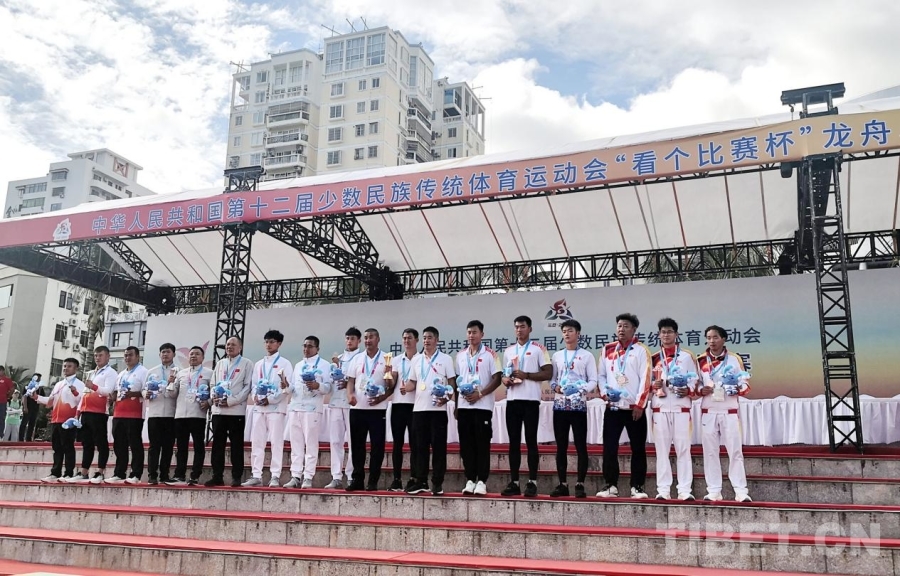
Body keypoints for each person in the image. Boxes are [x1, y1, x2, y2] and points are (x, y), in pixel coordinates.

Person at [597, 313, 652, 499]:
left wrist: (639, 404)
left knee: (638, 448)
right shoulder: (607, 349)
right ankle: (610, 485)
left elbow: (646, 378)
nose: (621, 329)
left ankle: (637, 486)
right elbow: (601, 375)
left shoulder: (641, 351)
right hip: (613, 407)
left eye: (626, 326)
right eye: (619, 325)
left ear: (634, 329)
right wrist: (605, 394)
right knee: (609, 447)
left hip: (634, 409)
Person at [697, 325, 752, 503]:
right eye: (708, 338)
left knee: (735, 451)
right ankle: (714, 490)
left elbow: (745, 384)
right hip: (709, 411)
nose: (711, 341)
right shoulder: (700, 360)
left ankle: (741, 491)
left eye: (715, 337)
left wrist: (737, 388)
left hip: (729, 411)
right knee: (710, 452)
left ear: (724, 339)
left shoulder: (734, 359)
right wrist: (701, 390)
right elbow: (695, 384)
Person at [500, 316, 552, 498]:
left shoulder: (539, 349)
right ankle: (514, 482)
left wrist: (526, 375)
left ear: (530, 329)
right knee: (513, 442)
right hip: (513, 401)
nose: (519, 330)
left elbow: (548, 373)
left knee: (531, 441)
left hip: (530, 401)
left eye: (522, 327)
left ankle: (532, 482)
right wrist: (505, 380)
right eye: (516, 327)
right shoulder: (509, 351)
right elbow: (504, 374)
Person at [650, 318, 699, 501]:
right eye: (663, 332)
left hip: (681, 409)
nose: (666, 335)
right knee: (661, 451)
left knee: (683, 449)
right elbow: (645, 383)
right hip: (660, 409)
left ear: (676, 334)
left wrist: (688, 390)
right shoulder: (653, 357)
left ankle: (684, 489)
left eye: (669, 331)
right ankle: (663, 489)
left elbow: (695, 380)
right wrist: (653, 385)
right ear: (658, 335)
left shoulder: (686, 357)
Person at [549, 319, 598, 498]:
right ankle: (562, 484)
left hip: (578, 407)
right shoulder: (557, 356)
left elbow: (593, 380)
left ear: (578, 333)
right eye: (564, 331)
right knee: (561, 446)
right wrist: (556, 388)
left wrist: (581, 389)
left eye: (570, 330)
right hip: (560, 406)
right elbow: (552, 379)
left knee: (580, 446)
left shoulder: (587, 356)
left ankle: (580, 484)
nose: (567, 334)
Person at [405, 326, 457, 496]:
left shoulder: (446, 359)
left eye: (430, 337)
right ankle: (421, 481)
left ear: (437, 340)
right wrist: (405, 387)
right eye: (425, 338)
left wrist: (447, 397)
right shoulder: (416, 360)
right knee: (420, 447)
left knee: (438, 447)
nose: (426, 341)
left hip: (438, 410)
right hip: (419, 410)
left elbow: (452, 382)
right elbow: (413, 382)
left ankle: (437, 482)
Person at [455, 320, 501, 496]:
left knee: (482, 444)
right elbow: (457, 381)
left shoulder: (490, 354)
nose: (471, 335)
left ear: (482, 334)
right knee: (466, 445)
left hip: (482, 407)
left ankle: (482, 481)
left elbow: (497, 379)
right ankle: (469, 479)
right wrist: (457, 405)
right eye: (469, 332)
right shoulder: (460, 355)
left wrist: (480, 394)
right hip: (464, 406)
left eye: (474, 332)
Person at [243, 329, 293, 487]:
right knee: (257, 442)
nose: (268, 345)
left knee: (276, 443)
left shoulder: (285, 363)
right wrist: (256, 397)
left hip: (276, 409)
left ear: (279, 344)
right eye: (266, 342)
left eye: (272, 342)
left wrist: (270, 399)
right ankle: (256, 475)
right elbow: (254, 386)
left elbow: (286, 388)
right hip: (259, 408)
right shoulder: (259, 364)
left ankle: (275, 476)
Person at [346, 328, 392, 491]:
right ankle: (357, 479)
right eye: (365, 337)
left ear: (378, 339)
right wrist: (350, 395)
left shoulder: (387, 359)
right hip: (357, 408)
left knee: (377, 446)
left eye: (371, 337)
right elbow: (350, 381)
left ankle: (373, 481)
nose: (368, 340)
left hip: (377, 409)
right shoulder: (357, 359)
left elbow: (391, 387)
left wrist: (381, 397)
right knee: (357, 445)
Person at [284, 336, 332, 489]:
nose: (306, 349)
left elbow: (328, 388)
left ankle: (308, 477)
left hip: (312, 409)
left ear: (317, 348)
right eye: (304, 346)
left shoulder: (324, 365)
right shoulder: (298, 365)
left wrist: (318, 385)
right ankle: (295, 475)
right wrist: (286, 385)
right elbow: (293, 388)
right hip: (295, 407)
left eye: (310, 346)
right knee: (296, 444)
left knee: (311, 444)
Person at [207, 336, 253, 487]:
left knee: (236, 445)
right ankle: (217, 476)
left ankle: (236, 477)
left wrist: (231, 401)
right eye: (227, 344)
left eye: (233, 344)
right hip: (219, 411)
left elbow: (247, 387)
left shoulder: (247, 363)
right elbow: (213, 384)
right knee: (217, 445)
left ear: (240, 347)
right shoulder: (221, 363)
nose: (229, 347)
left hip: (236, 412)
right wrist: (214, 396)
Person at [167, 346, 213, 486]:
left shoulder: (209, 373)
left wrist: (209, 402)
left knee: (198, 446)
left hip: (198, 415)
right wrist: (170, 382)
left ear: (203, 357)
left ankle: (195, 475)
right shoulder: (181, 373)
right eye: (191, 354)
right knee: (181, 447)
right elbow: (172, 394)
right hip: (180, 415)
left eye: (197, 354)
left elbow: (214, 391)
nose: (193, 356)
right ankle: (179, 475)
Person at [69, 347, 117, 483]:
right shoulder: (91, 373)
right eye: (96, 355)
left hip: (99, 412)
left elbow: (108, 391)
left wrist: (94, 386)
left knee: (101, 443)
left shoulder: (111, 373)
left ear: (108, 356)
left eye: (100, 355)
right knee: (87, 443)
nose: (97, 358)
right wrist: (78, 413)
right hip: (85, 411)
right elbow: (85, 394)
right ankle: (84, 472)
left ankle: (100, 472)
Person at [35, 358, 84, 482]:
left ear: (76, 368)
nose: (66, 368)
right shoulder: (59, 384)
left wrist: (75, 392)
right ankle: (55, 472)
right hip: (56, 420)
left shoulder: (79, 384)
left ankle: (68, 473)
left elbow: (82, 401)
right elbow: (50, 401)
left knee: (68, 447)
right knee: (57, 447)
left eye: (69, 366)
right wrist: (37, 397)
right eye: (65, 366)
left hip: (69, 421)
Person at [325, 327, 362, 489]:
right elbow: (329, 383)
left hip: (353, 404)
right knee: (335, 441)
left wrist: (349, 383)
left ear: (359, 341)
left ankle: (351, 475)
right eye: (347, 338)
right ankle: (336, 476)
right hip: (335, 403)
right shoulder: (337, 359)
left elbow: (364, 380)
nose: (349, 341)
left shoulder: (362, 359)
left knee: (353, 442)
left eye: (353, 338)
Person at [105, 346, 148, 484]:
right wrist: (112, 397)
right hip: (118, 413)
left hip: (135, 413)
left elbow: (146, 392)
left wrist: (133, 394)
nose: (127, 358)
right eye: (125, 355)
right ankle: (119, 472)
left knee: (135, 444)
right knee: (119, 444)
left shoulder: (143, 372)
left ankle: (136, 474)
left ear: (137, 357)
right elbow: (116, 391)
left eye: (130, 355)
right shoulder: (121, 374)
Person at [388, 328, 419, 492]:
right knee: (397, 444)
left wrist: (410, 387)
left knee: (415, 444)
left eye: (410, 338)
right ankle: (397, 479)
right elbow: (392, 382)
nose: (406, 341)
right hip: (398, 405)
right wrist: (388, 377)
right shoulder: (396, 360)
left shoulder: (421, 359)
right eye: (404, 338)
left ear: (417, 340)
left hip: (416, 406)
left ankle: (414, 478)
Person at [145, 343, 178, 485]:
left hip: (171, 414)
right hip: (155, 413)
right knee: (154, 446)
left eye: (168, 352)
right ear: (159, 355)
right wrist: (145, 393)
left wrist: (171, 384)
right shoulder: (152, 371)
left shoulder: (179, 372)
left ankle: (164, 475)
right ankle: (152, 475)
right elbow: (144, 389)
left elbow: (178, 392)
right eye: (163, 352)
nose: (165, 354)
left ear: (174, 354)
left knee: (168, 446)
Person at [19, 374, 42, 442]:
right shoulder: (28, 386)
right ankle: (21, 439)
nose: (38, 379)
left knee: (32, 424)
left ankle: (28, 439)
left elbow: (41, 397)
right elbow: (24, 397)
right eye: (37, 378)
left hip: (35, 408)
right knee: (24, 423)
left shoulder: (39, 388)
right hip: (28, 407)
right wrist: (25, 407)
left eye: (39, 378)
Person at [0, 366, 13, 439]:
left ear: (3, 371)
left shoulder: (7, 380)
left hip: (2, 402)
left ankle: (0, 434)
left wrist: (8, 396)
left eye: (0, 371)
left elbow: (12, 389)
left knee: (1, 418)